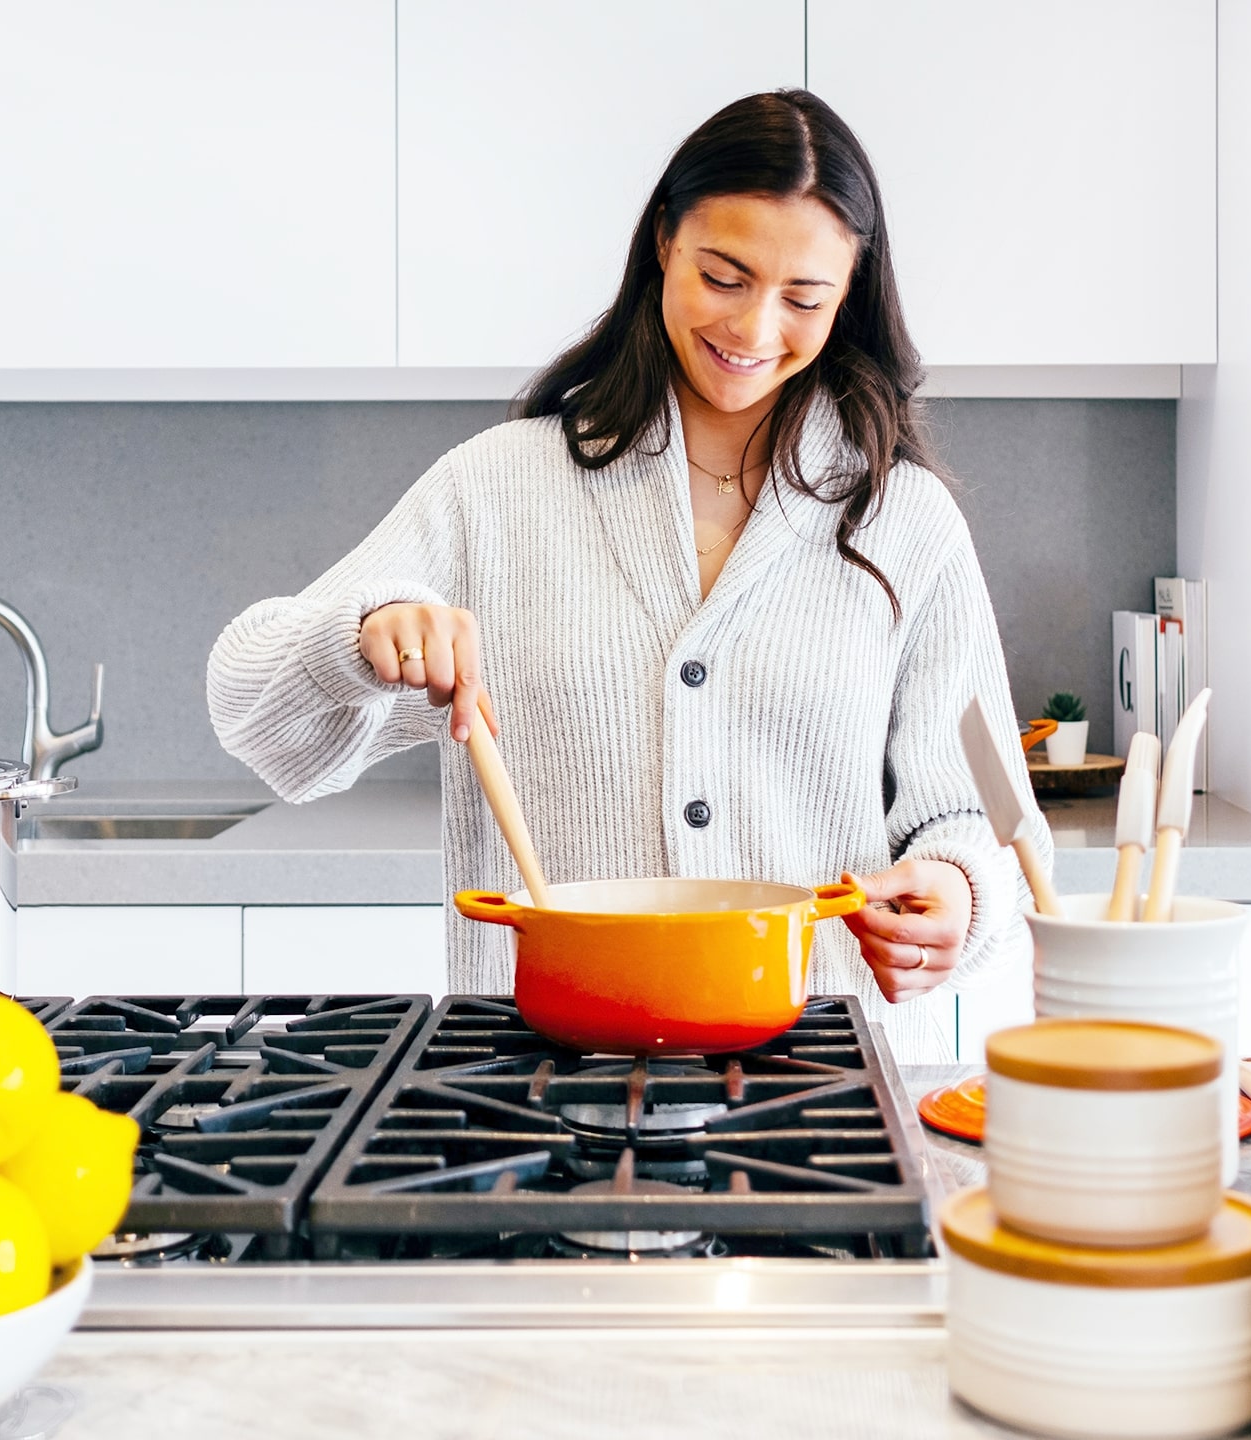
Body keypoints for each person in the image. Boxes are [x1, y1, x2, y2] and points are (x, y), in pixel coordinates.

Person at [207, 89, 1048, 1062]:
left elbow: (980, 817)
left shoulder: (904, 521)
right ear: (662, 244)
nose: (755, 327)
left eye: (803, 298)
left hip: (813, 1096)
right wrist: (361, 635)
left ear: (850, 292)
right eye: (723, 275)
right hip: (530, 1095)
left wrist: (953, 892)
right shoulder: (501, 488)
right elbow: (252, 711)